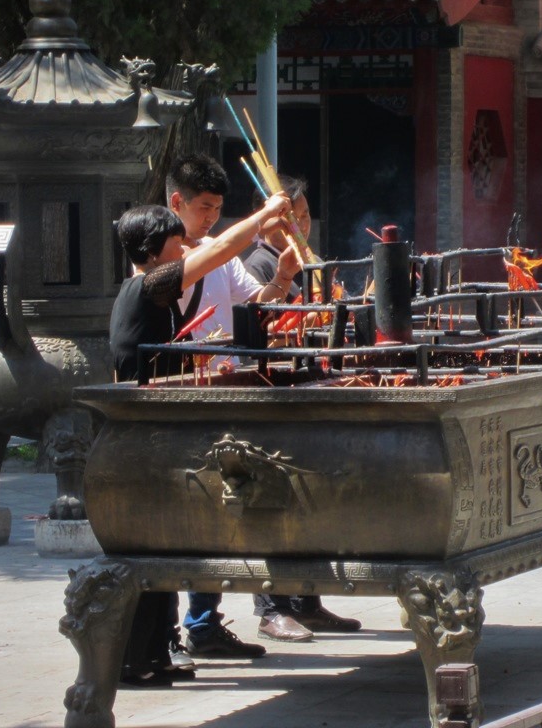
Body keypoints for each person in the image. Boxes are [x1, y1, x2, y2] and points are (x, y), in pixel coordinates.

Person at [110, 194, 296, 685]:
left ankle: (155, 651)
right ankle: (137, 657)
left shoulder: (157, 293)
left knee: (163, 552)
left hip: (157, 434)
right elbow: (217, 253)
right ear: (155, 248)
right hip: (140, 438)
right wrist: (261, 218)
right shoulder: (146, 284)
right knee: (149, 554)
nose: (188, 248)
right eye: (179, 241)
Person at [163, 154, 306, 662]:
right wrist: (262, 218)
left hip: (226, 391)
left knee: (223, 512)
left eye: (217, 209)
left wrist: (285, 274)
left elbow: (257, 302)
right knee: (184, 518)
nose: (209, 218)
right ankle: (171, 632)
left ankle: (204, 622)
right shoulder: (161, 257)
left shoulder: (222, 253)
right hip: (182, 394)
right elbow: (225, 245)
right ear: (176, 202)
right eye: (203, 207)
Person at [243, 174, 363, 643]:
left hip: (309, 389)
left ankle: (308, 599)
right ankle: (273, 607)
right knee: (274, 502)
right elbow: (261, 327)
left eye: (306, 215)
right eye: (290, 217)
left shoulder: (309, 264)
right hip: (273, 392)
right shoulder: (257, 265)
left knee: (311, 498)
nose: (301, 224)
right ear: (266, 221)